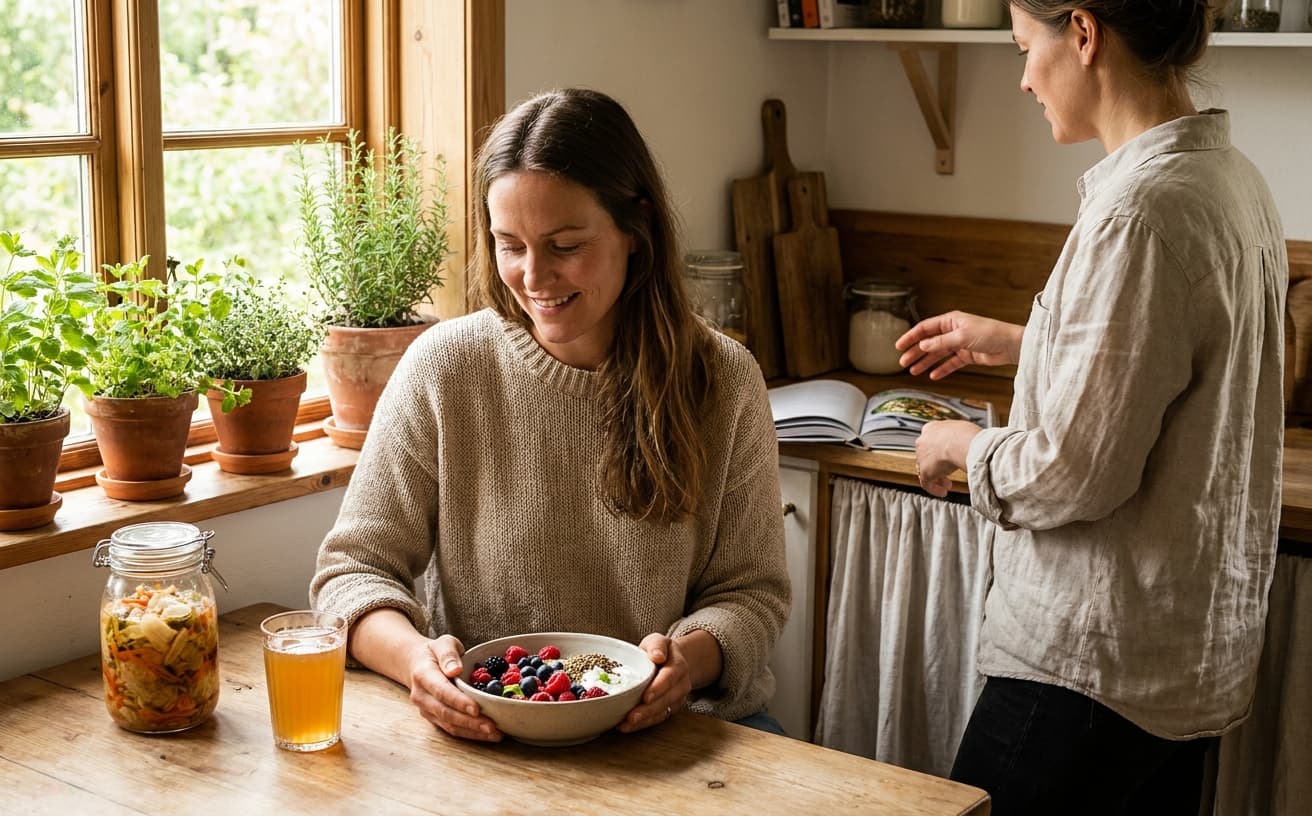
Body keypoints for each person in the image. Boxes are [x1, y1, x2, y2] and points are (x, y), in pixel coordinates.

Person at [896, 2, 1286, 812]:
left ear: (1083, 32)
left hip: (1089, 667)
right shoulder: (1231, 180)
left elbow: (1076, 471)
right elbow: (1162, 368)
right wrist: (1020, 339)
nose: (1024, 76)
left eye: (1025, 46)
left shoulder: (1140, 213)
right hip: (1179, 664)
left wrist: (961, 446)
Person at [309, 88, 791, 742]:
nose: (534, 276)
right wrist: (415, 662)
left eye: (564, 245)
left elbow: (752, 596)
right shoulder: (445, 367)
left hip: (676, 734)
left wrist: (688, 661)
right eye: (510, 245)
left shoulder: (724, 380)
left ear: (635, 229)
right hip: (486, 730)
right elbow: (351, 576)